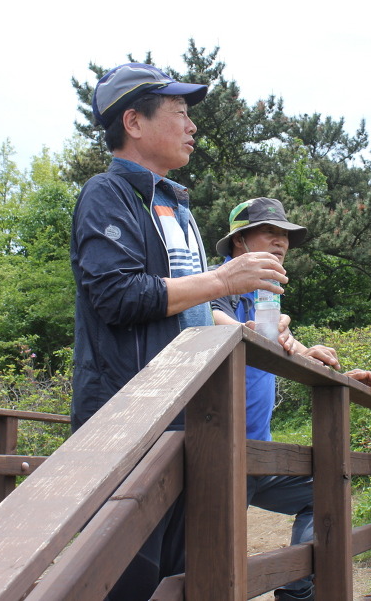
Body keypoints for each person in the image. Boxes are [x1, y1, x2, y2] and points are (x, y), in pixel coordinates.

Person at [70, 63, 289, 600]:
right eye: (180, 113)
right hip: (129, 419)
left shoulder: (178, 207)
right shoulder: (107, 193)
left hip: (189, 415)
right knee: (128, 580)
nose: (193, 127)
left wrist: (256, 332)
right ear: (133, 122)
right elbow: (117, 297)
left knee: (184, 574)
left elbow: (190, 310)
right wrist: (223, 280)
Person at [211, 197, 371, 601]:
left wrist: (334, 373)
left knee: (325, 492)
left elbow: (289, 348)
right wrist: (252, 329)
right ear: (239, 241)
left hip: (258, 454)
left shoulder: (267, 295)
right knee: (206, 566)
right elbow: (216, 321)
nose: (281, 242)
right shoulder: (215, 283)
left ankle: (296, 592)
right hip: (218, 454)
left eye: (285, 236)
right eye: (269, 233)